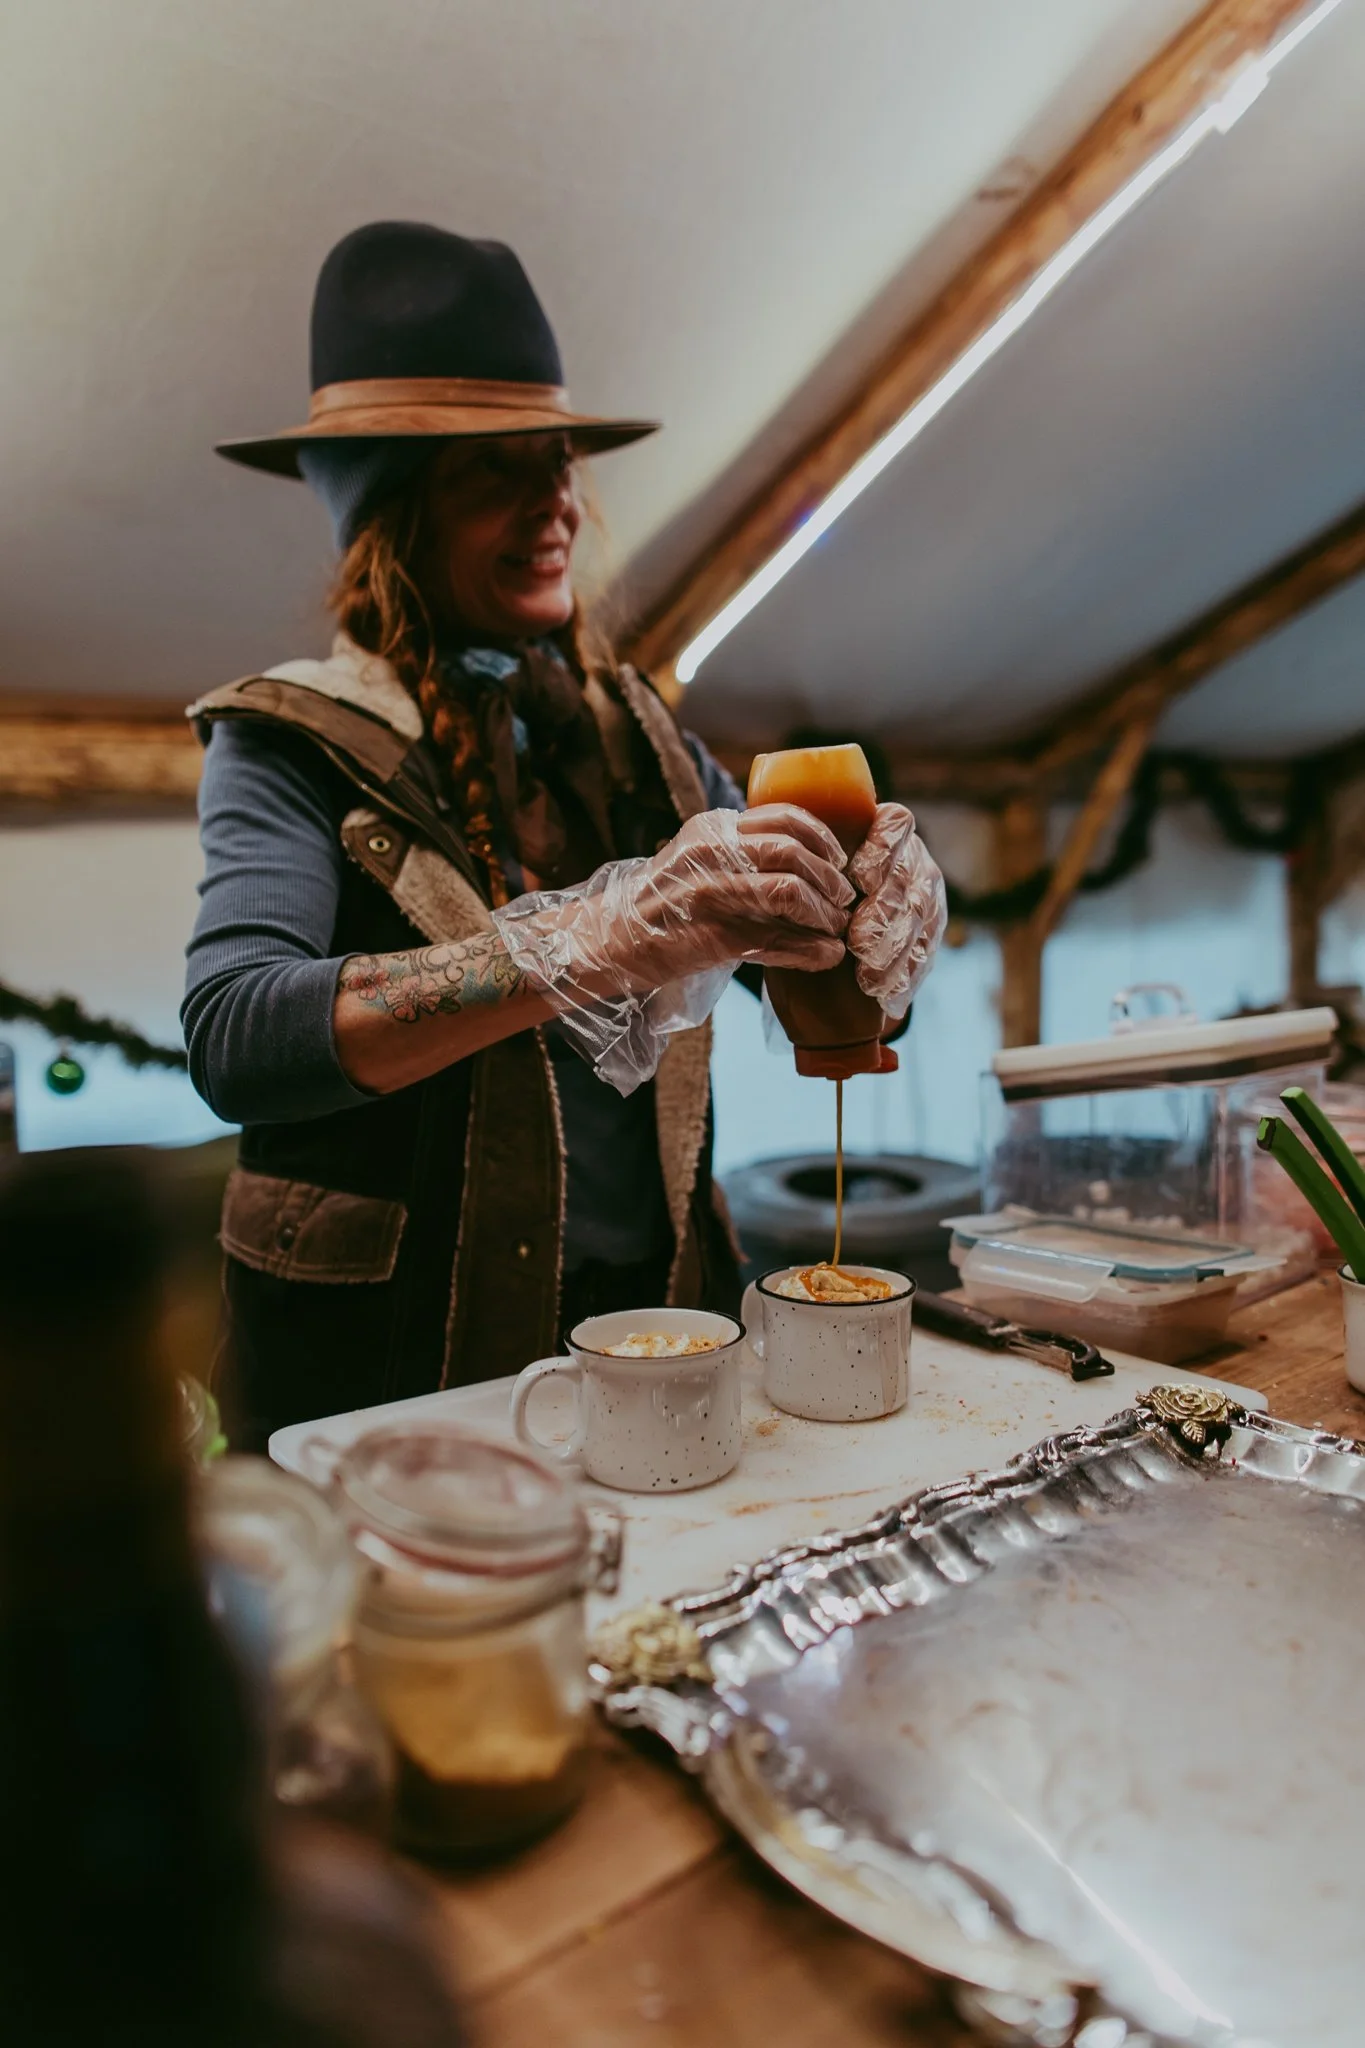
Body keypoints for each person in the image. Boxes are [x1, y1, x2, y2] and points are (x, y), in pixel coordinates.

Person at [183, 221, 945, 1449]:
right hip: (394, 1369)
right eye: (497, 471)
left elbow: (803, 959)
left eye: (559, 463)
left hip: (655, 1321)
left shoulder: (634, 730)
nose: (558, 506)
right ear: (387, 515)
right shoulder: (289, 737)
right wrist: (585, 940)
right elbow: (238, 1037)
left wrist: (878, 919)